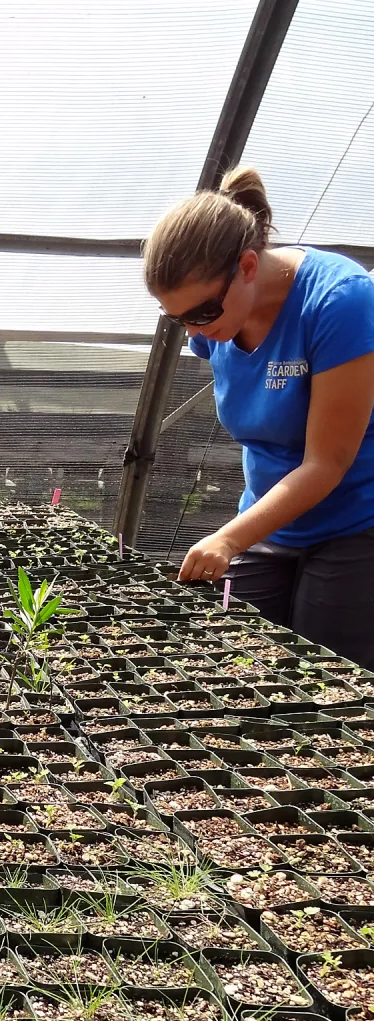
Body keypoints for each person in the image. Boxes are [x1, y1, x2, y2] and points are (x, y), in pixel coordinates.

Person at [144, 167, 374, 668]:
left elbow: (327, 463)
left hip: (355, 520)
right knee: (235, 657)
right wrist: (241, 534)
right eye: (176, 317)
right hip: (270, 518)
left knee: (328, 676)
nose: (193, 330)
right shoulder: (211, 318)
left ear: (247, 266)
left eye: (200, 314)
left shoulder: (341, 301)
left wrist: (227, 538)